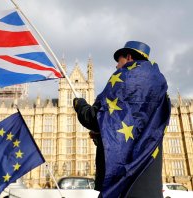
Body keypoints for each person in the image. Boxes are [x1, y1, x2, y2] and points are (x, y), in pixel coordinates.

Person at [73, 41, 171, 198]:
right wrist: (102, 135)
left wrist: (80, 104)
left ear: (129, 57)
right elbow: (138, 128)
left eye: (119, 61)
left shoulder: (125, 78)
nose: (117, 67)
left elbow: (93, 118)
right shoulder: (159, 85)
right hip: (149, 178)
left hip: (123, 182)